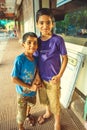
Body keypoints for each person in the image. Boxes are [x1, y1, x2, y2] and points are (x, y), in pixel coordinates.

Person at [35, 8, 68, 130]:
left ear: (52, 23)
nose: (45, 26)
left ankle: (57, 122)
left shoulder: (58, 40)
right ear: (37, 24)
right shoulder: (36, 41)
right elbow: (35, 61)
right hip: (41, 78)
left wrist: (59, 75)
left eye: (48, 22)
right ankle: (47, 112)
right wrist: (37, 75)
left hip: (54, 78)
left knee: (55, 101)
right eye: (41, 23)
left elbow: (65, 58)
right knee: (44, 98)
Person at [11, 32, 41, 130]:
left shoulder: (35, 59)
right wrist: (29, 87)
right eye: (29, 42)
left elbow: (36, 70)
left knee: (31, 104)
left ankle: (28, 114)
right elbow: (13, 79)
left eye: (35, 43)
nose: (32, 45)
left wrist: (37, 79)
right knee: (21, 113)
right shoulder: (20, 59)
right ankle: (21, 126)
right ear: (23, 44)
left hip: (32, 92)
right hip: (22, 93)